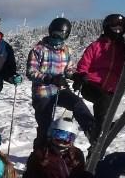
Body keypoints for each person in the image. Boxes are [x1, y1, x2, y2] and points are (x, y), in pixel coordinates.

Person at [26, 17, 95, 145]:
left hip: (60, 89)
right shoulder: (38, 50)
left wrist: (76, 76)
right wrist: (50, 78)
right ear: (50, 31)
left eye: (62, 35)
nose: (57, 38)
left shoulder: (66, 50)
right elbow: (31, 72)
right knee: (45, 125)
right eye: (55, 34)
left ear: (66, 35)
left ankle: (91, 129)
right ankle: (41, 151)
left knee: (77, 103)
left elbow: (69, 69)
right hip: (42, 91)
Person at [72, 13, 125, 142]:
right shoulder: (96, 46)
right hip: (90, 85)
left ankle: (96, 141)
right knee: (102, 101)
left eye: (120, 29)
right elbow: (84, 64)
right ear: (107, 28)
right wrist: (81, 75)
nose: (117, 31)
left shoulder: (123, 49)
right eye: (114, 29)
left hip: (111, 89)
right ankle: (103, 127)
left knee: (105, 106)